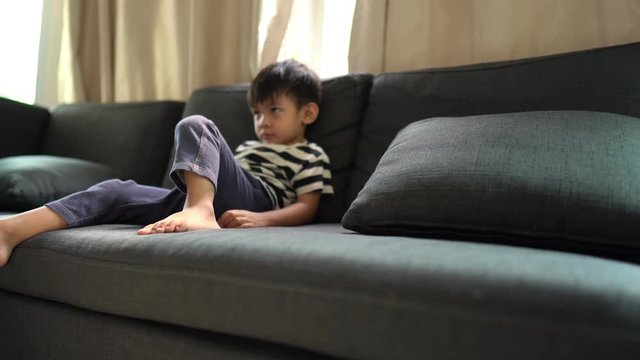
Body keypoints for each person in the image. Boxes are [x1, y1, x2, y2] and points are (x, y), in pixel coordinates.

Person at [0, 59, 333, 267]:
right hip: (201, 196)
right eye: (257, 113)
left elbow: (307, 207)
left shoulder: (311, 155)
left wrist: (263, 219)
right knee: (116, 191)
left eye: (274, 110)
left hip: (255, 199)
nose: (263, 122)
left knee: (195, 124)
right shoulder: (248, 147)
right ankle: (11, 229)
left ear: (308, 113)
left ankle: (199, 210)